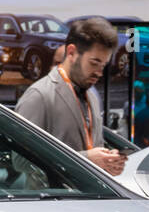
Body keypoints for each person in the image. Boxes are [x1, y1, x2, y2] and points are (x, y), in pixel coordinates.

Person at [16, 16, 124, 176]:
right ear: (71, 52)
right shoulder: (39, 95)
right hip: (53, 199)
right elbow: (20, 161)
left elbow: (93, 148)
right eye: (94, 63)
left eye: (103, 65)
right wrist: (86, 159)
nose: (99, 72)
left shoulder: (92, 97)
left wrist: (106, 163)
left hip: (91, 197)